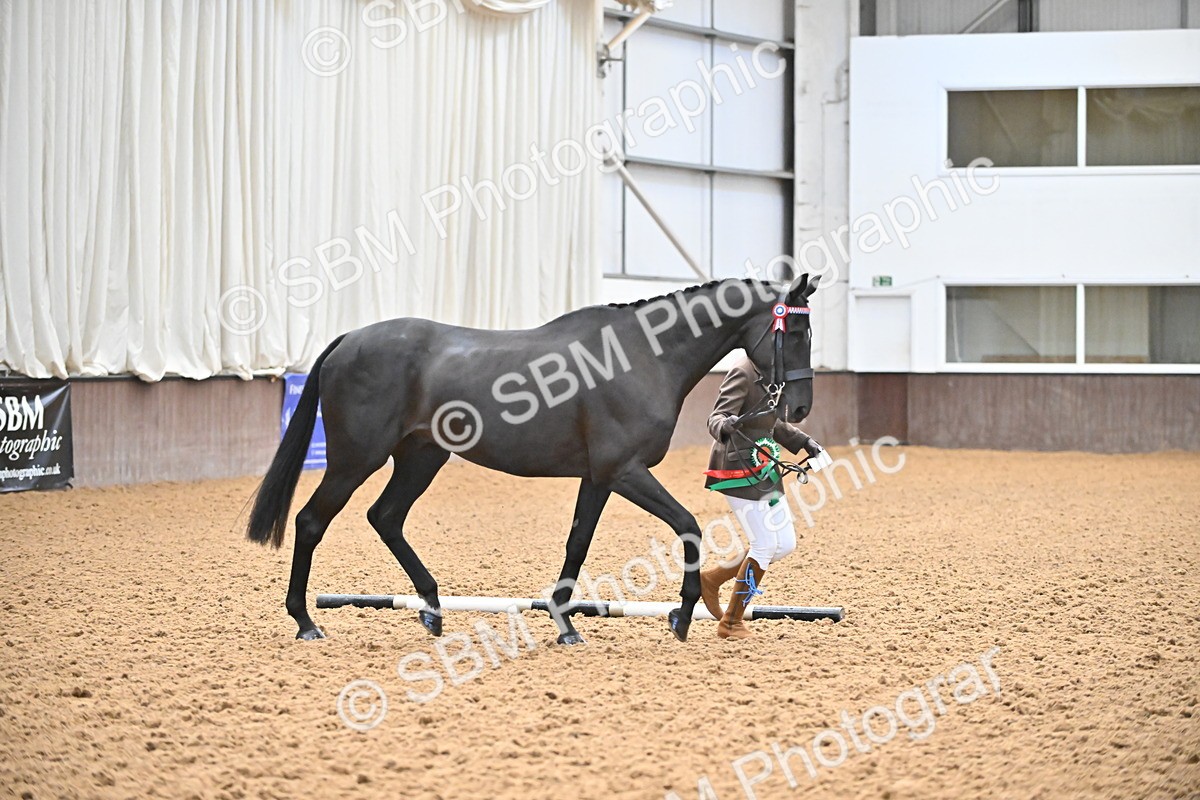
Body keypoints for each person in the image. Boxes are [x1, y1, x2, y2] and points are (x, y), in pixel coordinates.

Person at [700, 355, 831, 640]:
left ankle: (713, 579)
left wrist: (804, 442)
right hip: (737, 468)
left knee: (784, 544)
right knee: (765, 543)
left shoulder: (775, 376)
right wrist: (725, 425)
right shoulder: (742, 373)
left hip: (765, 467)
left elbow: (775, 425)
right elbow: (716, 417)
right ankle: (731, 622)